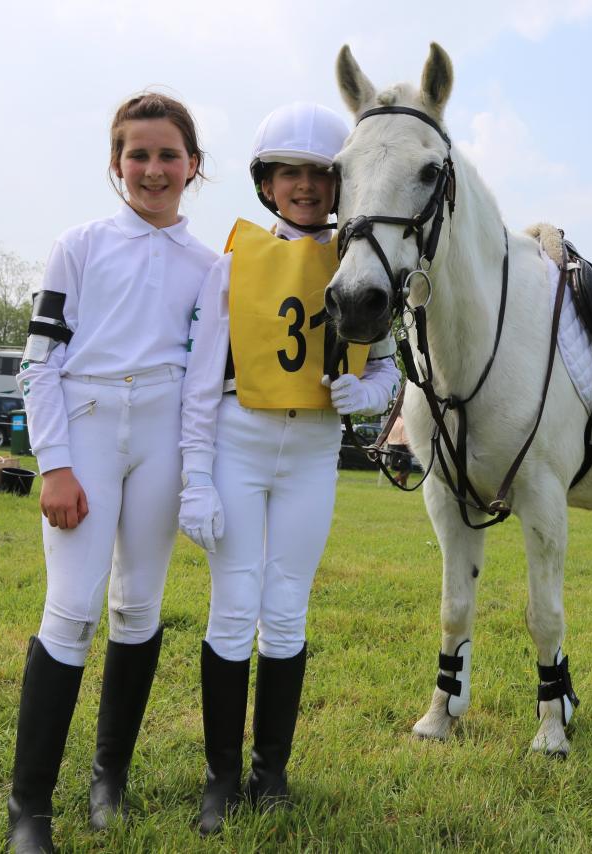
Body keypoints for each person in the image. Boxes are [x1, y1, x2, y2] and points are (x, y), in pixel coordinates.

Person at [178, 102, 400, 834]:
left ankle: (269, 771)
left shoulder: (362, 266)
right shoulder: (233, 262)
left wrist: (363, 393)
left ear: (339, 184)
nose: (304, 185)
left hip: (311, 453)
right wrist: (198, 475)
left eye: (318, 172)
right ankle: (219, 777)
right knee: (234, 604)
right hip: (241, 440)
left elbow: (389, 372)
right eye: (288, 172)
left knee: (286, 607)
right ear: (266, 183)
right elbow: (200, 379)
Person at [8, 93, 217, 853]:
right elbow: (39, 365)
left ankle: (109, 779)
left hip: (161, 436)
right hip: (88, 427)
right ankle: (28, 808)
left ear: (194, 166)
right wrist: (55, 466)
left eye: (168, 155)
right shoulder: (80, 244)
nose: (153, 169)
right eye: (138, 154)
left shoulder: (210, 264)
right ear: (114, 163)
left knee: (139, 607)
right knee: (71, 612)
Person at [387, 414, 413, 487]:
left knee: (403, 468)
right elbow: (405, 439)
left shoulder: (392, 422)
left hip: (391, 446)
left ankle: (403, 485)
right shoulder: (404, 422)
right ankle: (395, 480)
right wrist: (411, 449)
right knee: (408, 469)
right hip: (401, 447)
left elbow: (386, 434)